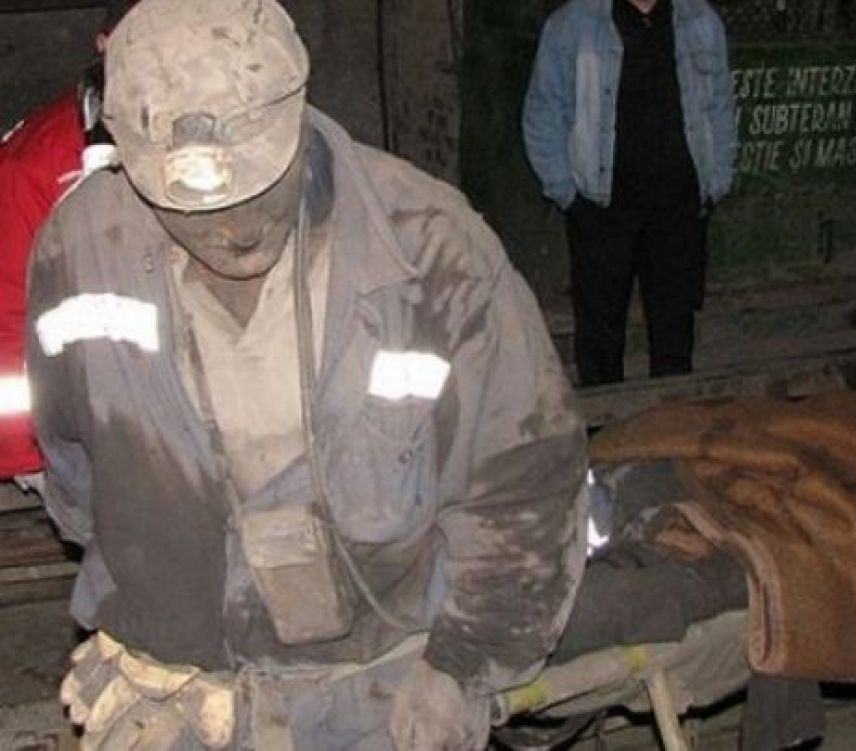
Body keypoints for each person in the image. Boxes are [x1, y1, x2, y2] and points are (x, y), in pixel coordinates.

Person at [25, 0, 587, 748]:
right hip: (180, 688)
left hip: (376, 694)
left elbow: (524, 480)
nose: (234, 229)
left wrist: (463, 666)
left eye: (257, 192)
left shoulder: (431, 254)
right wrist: (145, 590)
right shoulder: (80, 249)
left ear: (296, 113)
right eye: (197, 213)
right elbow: (71, 468)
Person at [522, 0, 737, 386]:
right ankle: (602, 421)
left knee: (674, 334)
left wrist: (715, 182)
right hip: (602, 207)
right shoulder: (573, 25)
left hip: (678, 205)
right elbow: (544, 111)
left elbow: (720, 105)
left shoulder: (701, 23)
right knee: (599, 336)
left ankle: (670, 419)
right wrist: (568, 195)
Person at [0, 0, 131, 487]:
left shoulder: (233, 143)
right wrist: (30, 460)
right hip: (90, 429)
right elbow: (5, 308)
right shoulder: (38, 164)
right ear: (105, 44)